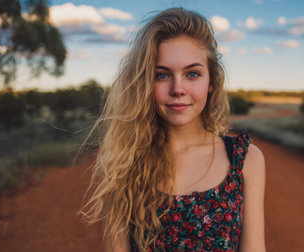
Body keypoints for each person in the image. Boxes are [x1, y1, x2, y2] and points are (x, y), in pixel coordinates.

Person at [82, 7, 266, 252]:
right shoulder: (122, 161)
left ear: (211, 82)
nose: (178, 88)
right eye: (162, 75)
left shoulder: (246, 160)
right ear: (145, 83)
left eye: (192, 74)